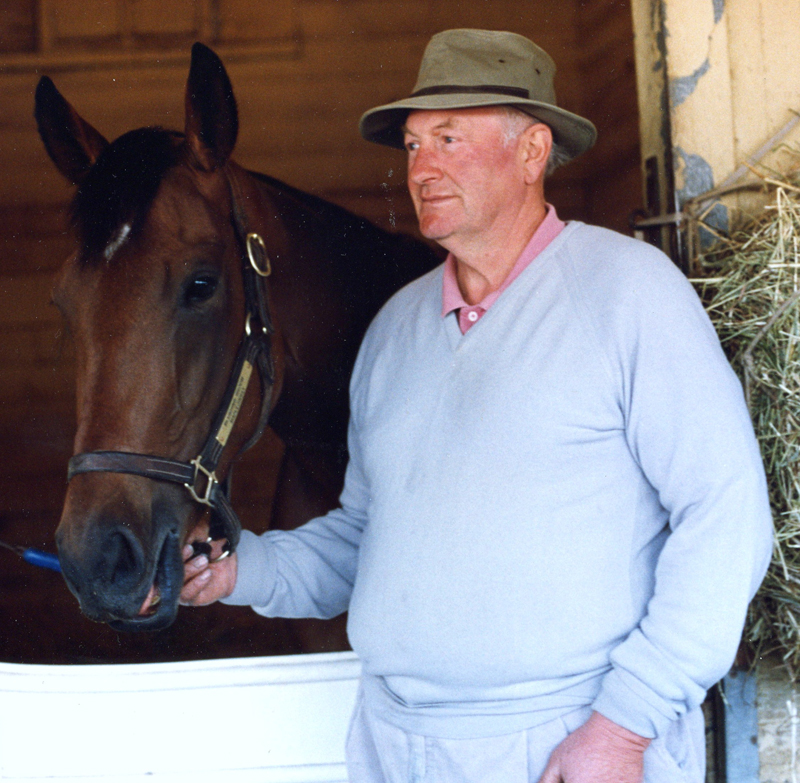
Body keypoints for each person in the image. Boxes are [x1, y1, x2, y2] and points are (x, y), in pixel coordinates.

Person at [180, 28, 773, 783]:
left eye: (450, 138)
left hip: (570, 743)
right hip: (398, 745)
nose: (421, 167)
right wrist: (243, 567)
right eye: (413, 143)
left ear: (532, 153)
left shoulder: (628, 293)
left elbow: (727, 516)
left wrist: (626, 725)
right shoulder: (395, 331)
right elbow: (365, 540)